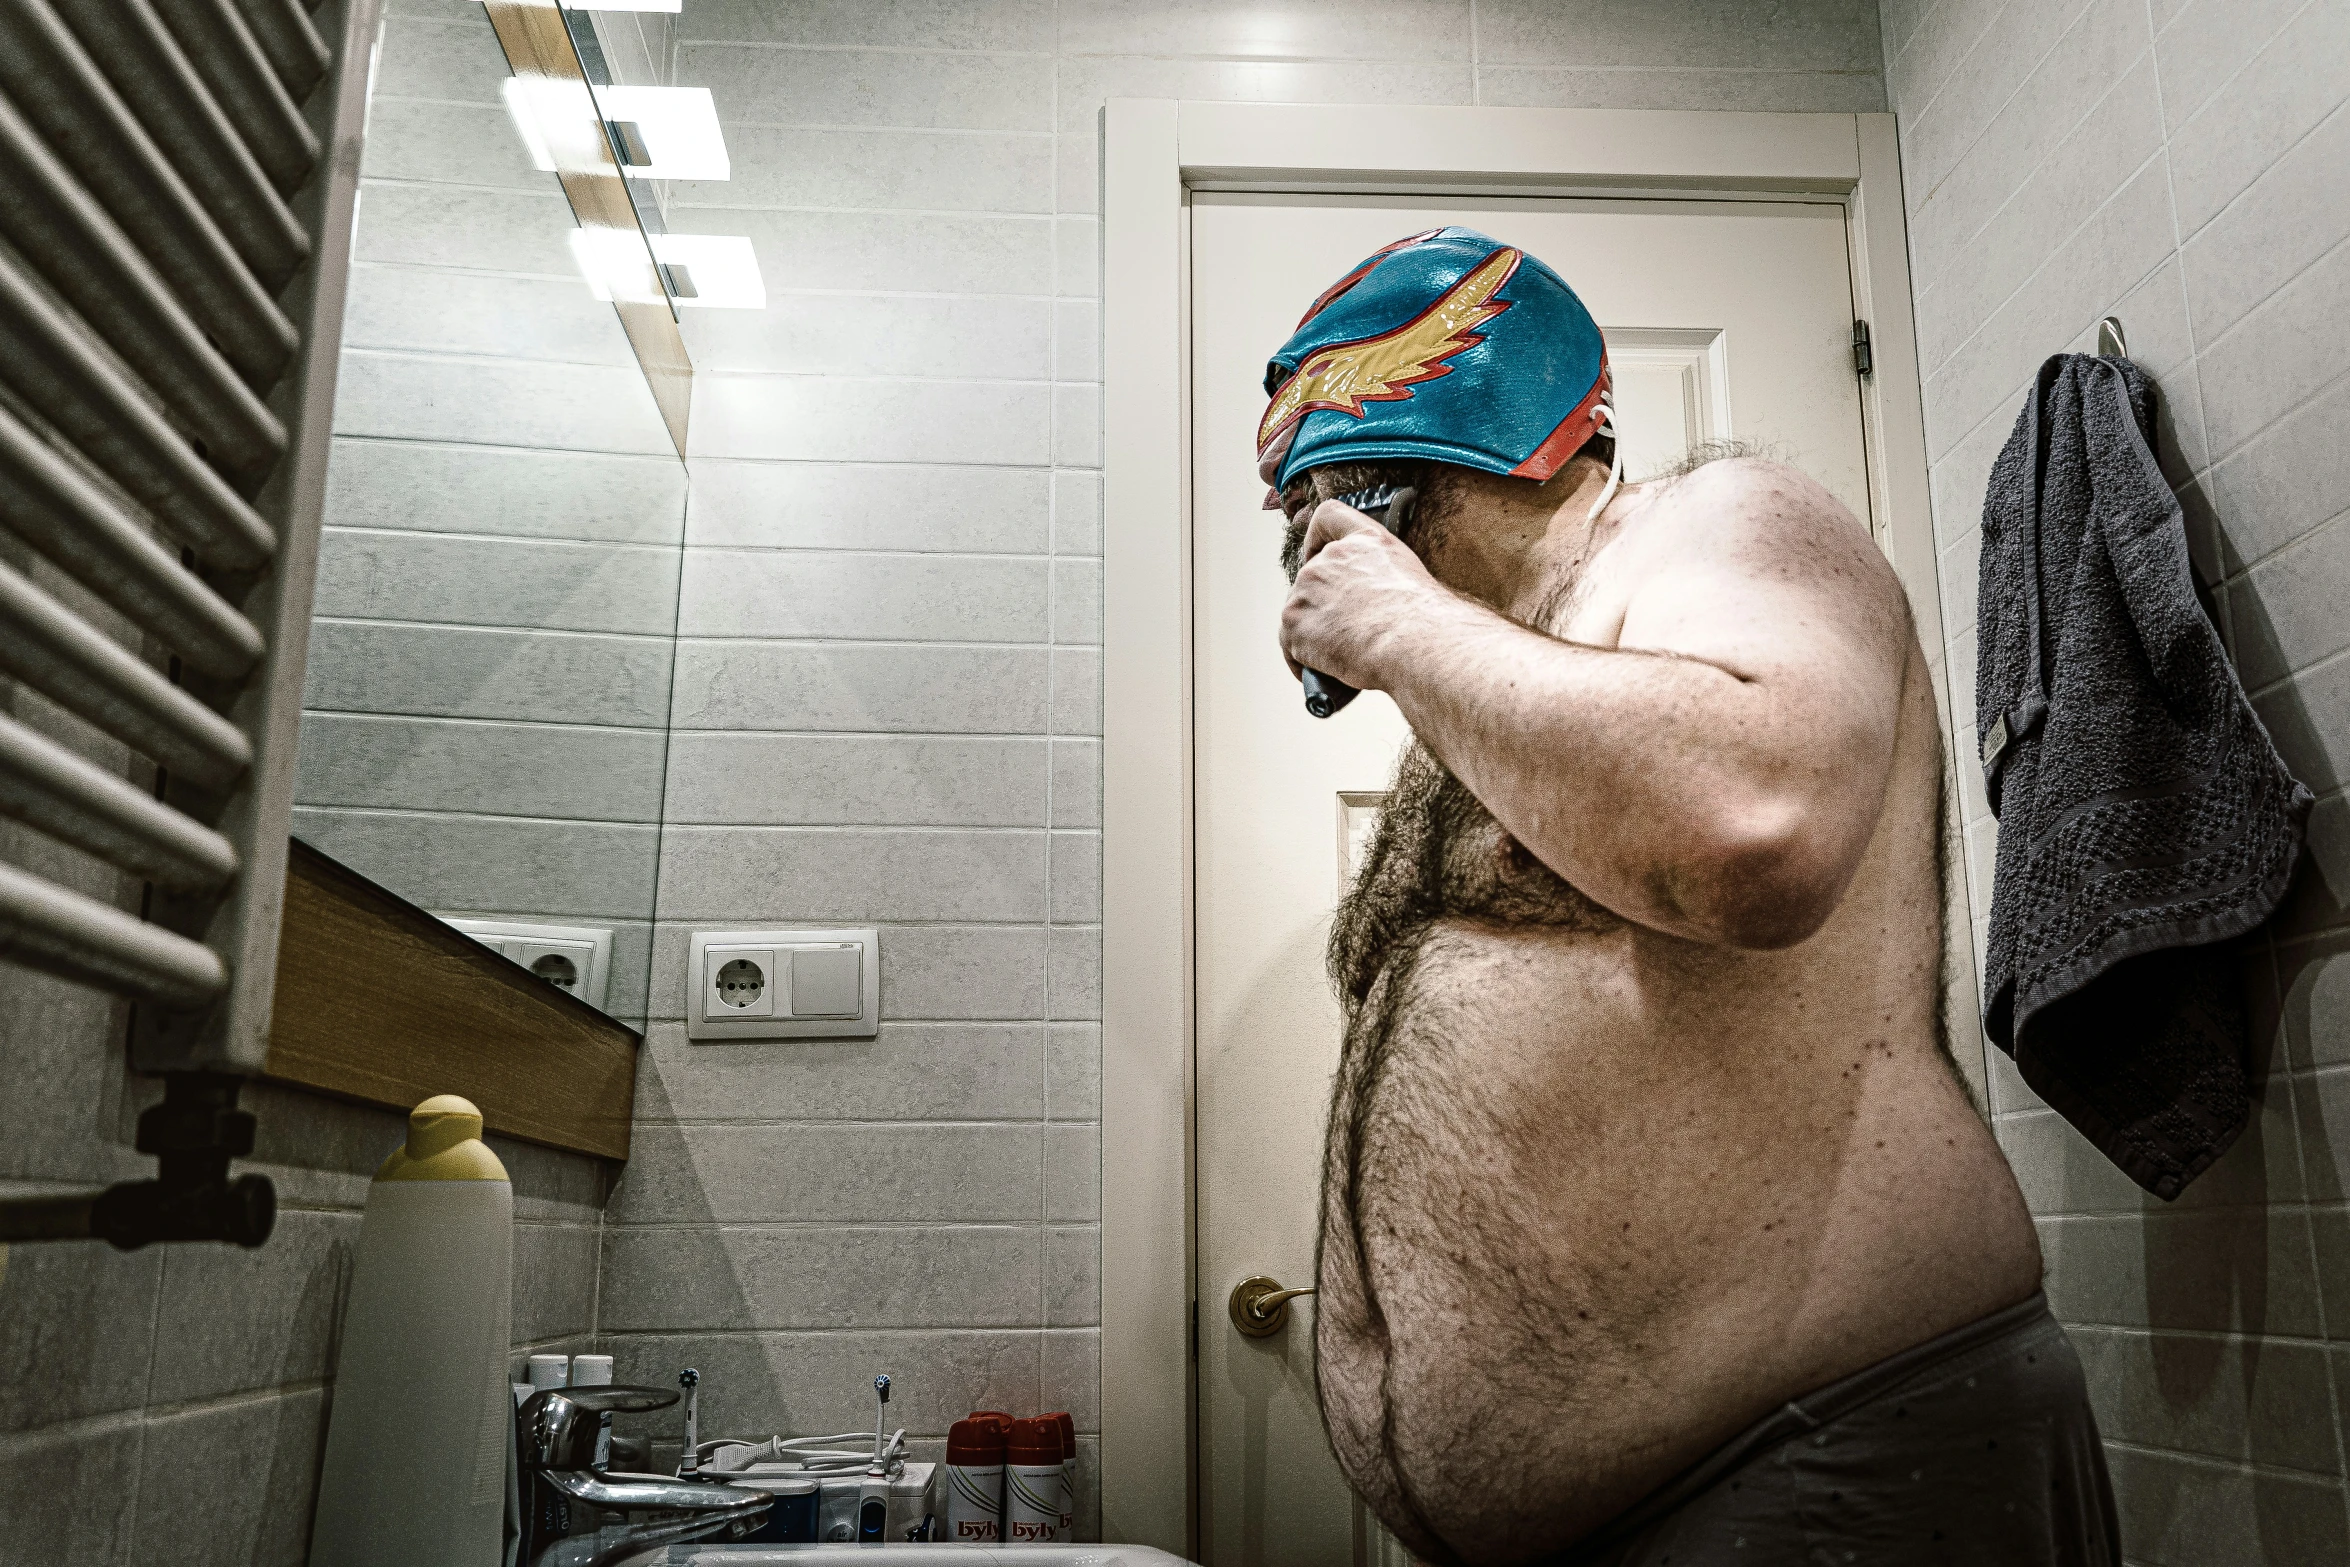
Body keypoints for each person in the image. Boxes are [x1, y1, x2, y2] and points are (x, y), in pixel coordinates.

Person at [1261, 227, 2118, 1566]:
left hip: (1831, 1456)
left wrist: (1397, 624)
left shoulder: (1723, 519)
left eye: (1311, 502)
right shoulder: (1504, 689)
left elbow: (1754, 826)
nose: (1298, 548)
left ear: (1402, 466)